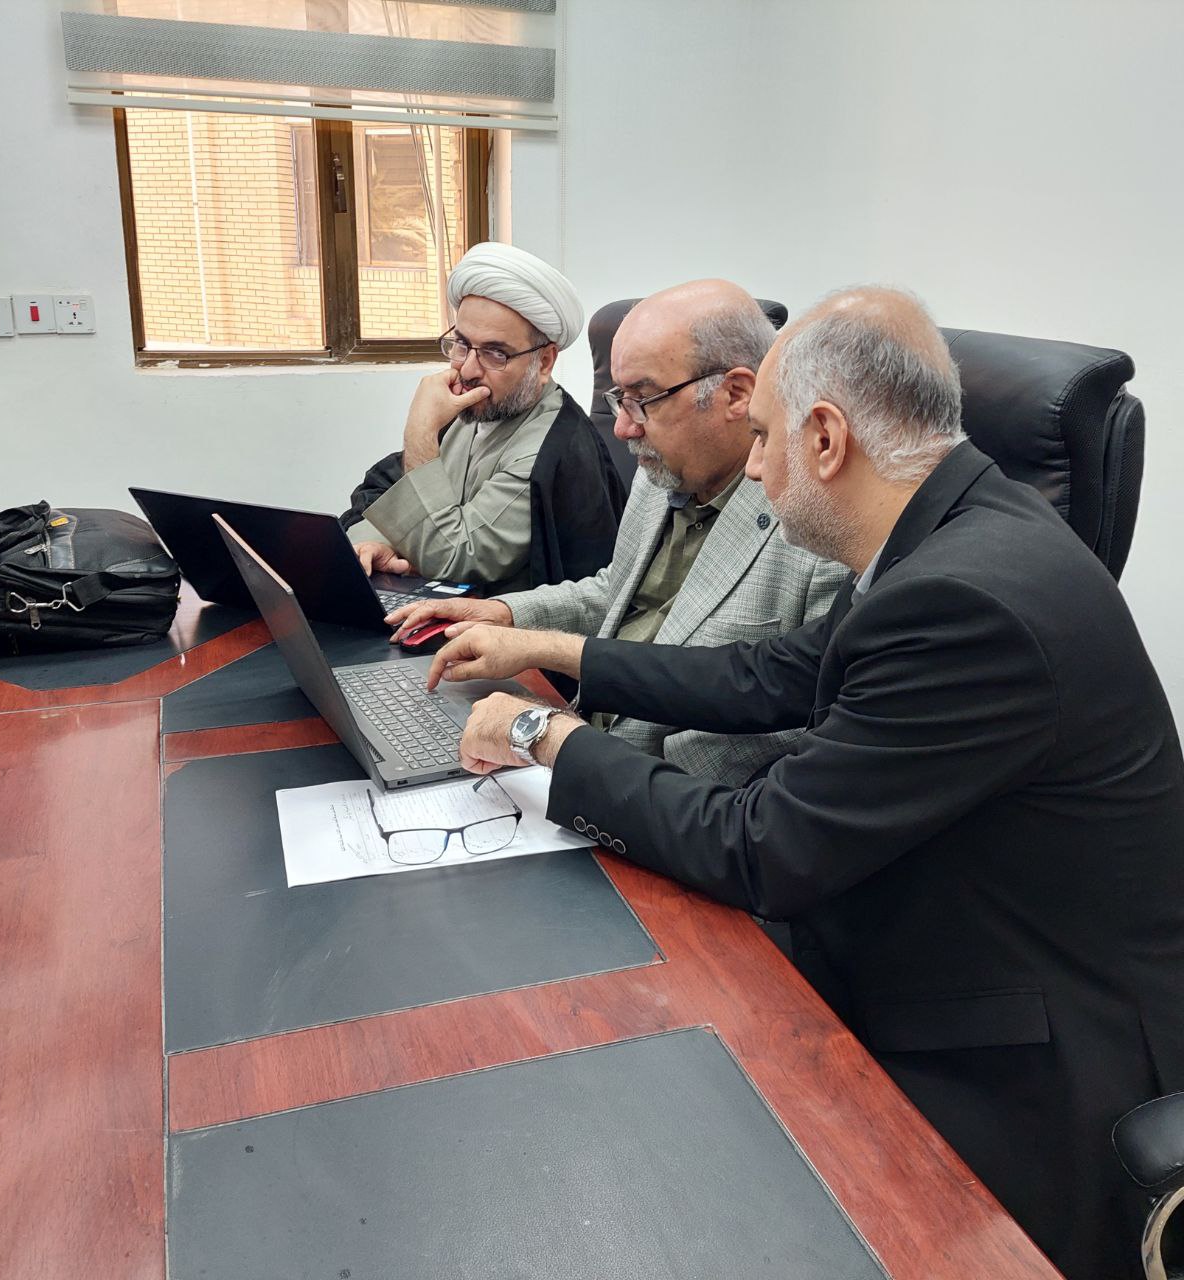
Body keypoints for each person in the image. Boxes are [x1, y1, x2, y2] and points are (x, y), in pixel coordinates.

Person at [426, 287, 1184, 1280]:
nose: (752, 467)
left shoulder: (967, 602)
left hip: (1026, 1056)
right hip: (929, 937)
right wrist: (553, 651)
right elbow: (767, 675)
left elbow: (761, 847)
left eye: (762, 439)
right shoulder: (956, 528)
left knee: (652, 1154)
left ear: (824, 438)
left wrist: (542, 735)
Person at [386, 280, 849, 783]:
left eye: (643, 399)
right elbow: (617, 591)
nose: (623, 429)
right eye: (620, 398)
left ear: (736, 394)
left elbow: (797, 724)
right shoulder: (662, 471)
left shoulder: (816, 527)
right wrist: (506, 614)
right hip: (569, 743)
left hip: (663, 793)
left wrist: (565, 748)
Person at [343, 241, 624, 594]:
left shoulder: (552, 452)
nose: (468, 369)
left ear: (545, 362)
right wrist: (373, 542)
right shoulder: (476, 409)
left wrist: (420, 431)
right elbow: (387, 488)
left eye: (495, 353)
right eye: (462, 344)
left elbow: (455, 556)